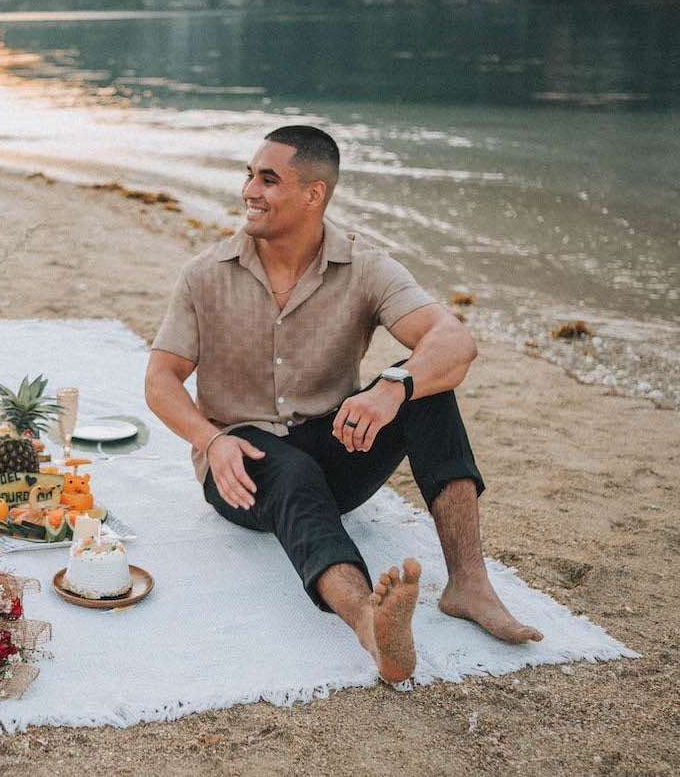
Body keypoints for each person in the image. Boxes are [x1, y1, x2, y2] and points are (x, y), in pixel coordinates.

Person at [145, 125, 542, 683]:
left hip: (335, 449)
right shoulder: (204, 275)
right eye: (249, 175)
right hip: (238, 464)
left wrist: (393, 386)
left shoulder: (366, 267)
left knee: (427, 390)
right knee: (288, 468)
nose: (249, 190)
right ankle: (367, 620)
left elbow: (454, 339)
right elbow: (161, 380)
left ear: (314, 195)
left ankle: (468, 584)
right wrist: (210, 441)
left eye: (268, 179)